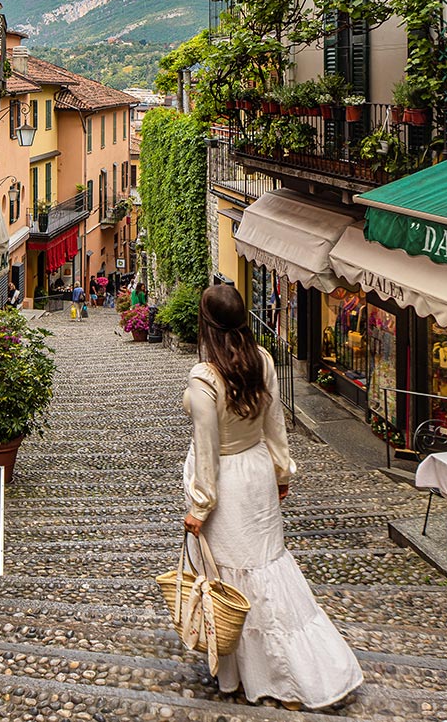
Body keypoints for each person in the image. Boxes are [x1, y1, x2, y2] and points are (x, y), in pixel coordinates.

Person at [182, 284, 362, 711]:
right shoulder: (261, 360)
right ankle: (278, 667)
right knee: (266, 568)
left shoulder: (205, 377)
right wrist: (283, 473)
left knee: (232, 574)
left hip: (228, 484)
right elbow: (276, 425)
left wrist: (200, 505)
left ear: (207, 325)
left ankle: (248, 674)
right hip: (258, 474)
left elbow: (207, 449)